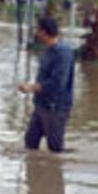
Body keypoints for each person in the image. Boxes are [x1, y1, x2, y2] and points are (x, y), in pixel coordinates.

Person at [19, 17, 75, 153]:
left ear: (44, 32)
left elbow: (57, 83)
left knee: (55, 148)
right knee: (30, 142)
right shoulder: (47, 50)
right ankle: (36, 171)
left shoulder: (63, 53)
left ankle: (56, 170)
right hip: (41, 104)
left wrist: (30, 87)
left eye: (38, 30)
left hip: (56, 107)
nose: (36, 33)